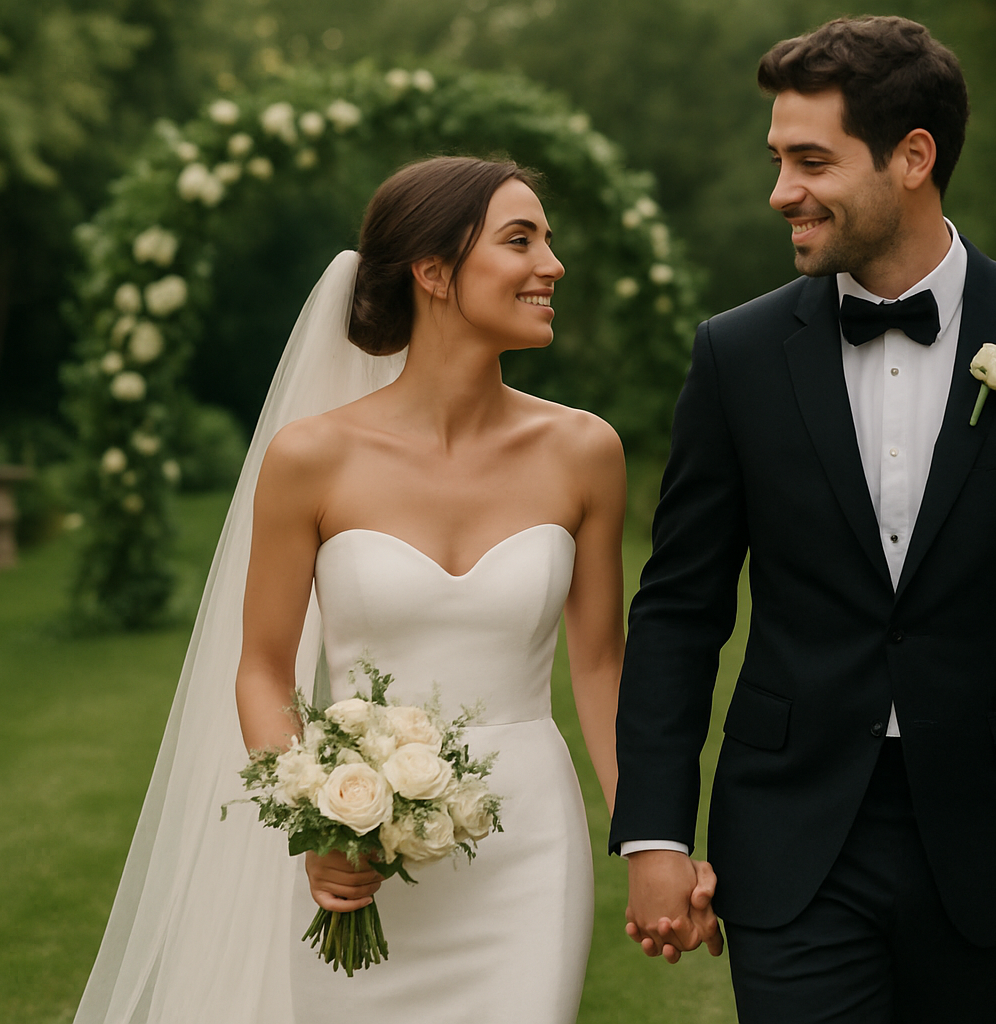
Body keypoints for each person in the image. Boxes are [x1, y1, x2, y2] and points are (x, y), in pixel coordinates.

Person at [611, 16, 996, 1024]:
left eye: (810, 159)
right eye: (778, 157)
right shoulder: (735, 356)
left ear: (913, 157)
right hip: (792, 834)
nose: (780, 189)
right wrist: (654, 831)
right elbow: (678, 609)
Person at [78, 156, 626, 1023]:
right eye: (521, 240)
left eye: (548, 241)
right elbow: (261, 668)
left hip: (528, 845)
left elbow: (600, 669)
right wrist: (319, 821)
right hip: (356, 856)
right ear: (435, 272)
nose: (552, 265)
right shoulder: (311, 458)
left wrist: (651, 837)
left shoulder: (585, 451)